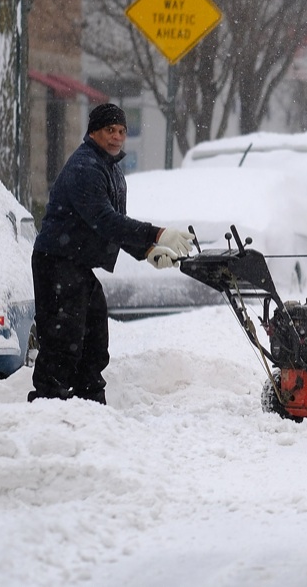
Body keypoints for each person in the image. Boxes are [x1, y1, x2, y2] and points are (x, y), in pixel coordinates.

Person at [28, 103, 194, 404]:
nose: (117, 137)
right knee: (63, 340)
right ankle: (48, 404)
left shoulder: (111, 170)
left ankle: (90, 400)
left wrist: (148, 251)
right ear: (94, 131)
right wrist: (157, 234)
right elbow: (103, 219)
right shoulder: (85, 168)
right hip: (56, 263)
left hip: (77, 265)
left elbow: (115, 227)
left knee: (94, 338)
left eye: (122, 131)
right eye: (110, 130)